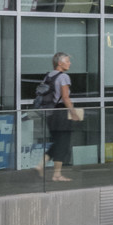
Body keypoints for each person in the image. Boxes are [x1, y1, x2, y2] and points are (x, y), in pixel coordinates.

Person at [38, 53, 76, 185]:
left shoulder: (49, 76)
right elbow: (65, 97)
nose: (69, 63)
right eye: (67, 61)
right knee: (63, 143)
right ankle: (57, 175)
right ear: (60, 63)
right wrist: (73, 112)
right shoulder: (64, 77)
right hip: (61, 113)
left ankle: (41, 164)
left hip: (50, 113)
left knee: (57, 141)